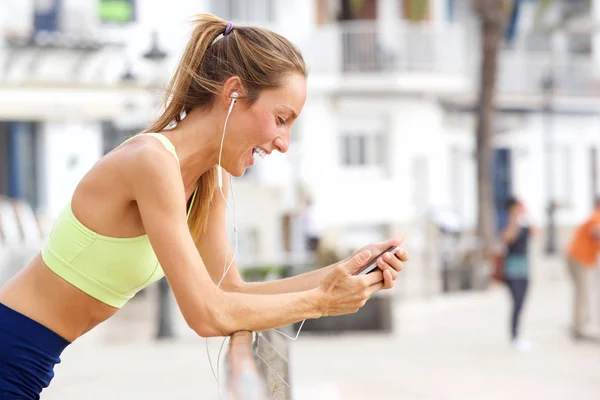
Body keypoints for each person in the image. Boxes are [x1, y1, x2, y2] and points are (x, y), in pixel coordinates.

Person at [0, 14, 408, 400]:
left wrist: (342, 273)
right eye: (281, 118)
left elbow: (230, 292)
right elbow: (207, 315)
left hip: (26, 362)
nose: (283, 142)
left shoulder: (211, 178)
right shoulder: (151, 162)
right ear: (232, 94)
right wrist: (321, 301)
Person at [500, 196, 536, 351]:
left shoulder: (524, 225)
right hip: (512, 269)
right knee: (516, 302)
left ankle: (518, 335)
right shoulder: (508, 224)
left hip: (524, 267)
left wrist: (525, 214)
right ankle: (514, 336)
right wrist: (514, 218)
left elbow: (535, 231)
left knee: (522, 303)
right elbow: (508, 238)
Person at [565, 197, 600, 340]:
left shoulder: (594, 215)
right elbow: (597, 232)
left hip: (576, 257)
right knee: (582, 293)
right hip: (579, 259)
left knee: (580, 292)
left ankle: (578, 325)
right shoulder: (597, 216)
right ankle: (579, 329)